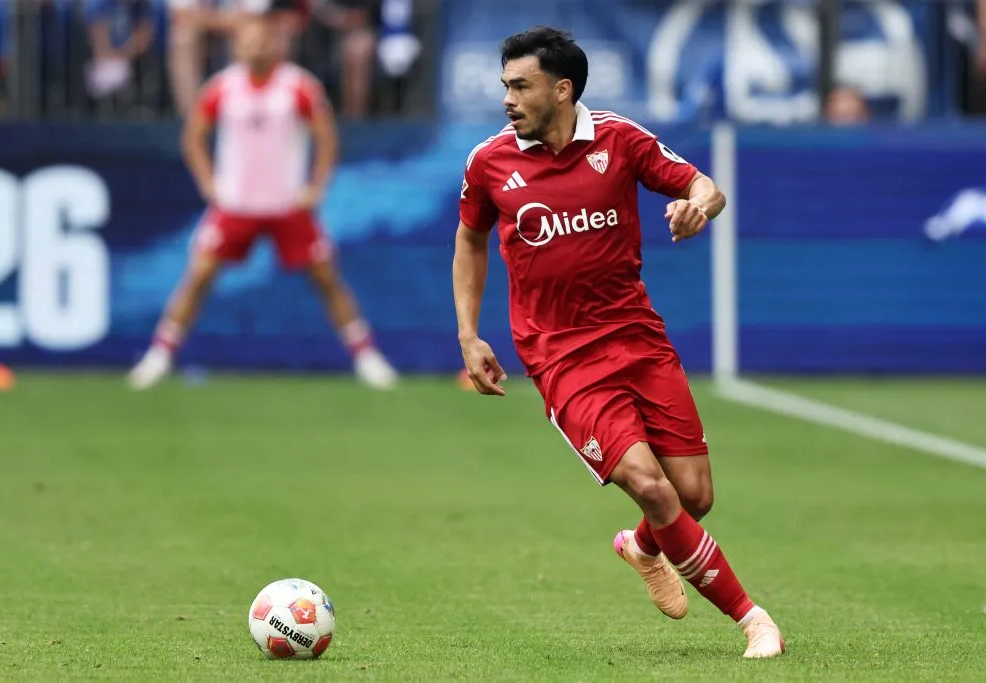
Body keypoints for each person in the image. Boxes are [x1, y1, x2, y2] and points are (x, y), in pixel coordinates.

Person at [452, 27, 784, 658]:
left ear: (562, 88)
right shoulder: (489, 162)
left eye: (521, 86)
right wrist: (469, 334)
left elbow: (706, 187)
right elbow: (470, 240)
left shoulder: (620, 140)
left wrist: (697, 209)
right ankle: (754, 620)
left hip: (637, 339)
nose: (509, 99)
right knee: (654, 489)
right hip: (560, 356)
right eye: (505, 87)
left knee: (693, 497)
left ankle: (640, 547)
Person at [129, 12, 397, 390]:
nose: (256, 45)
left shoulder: (299, 87)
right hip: (235, 205)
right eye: (249, 39)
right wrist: (208, 183)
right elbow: (193, 138)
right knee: (199, 276)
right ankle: (159, 355)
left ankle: (367, 356)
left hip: (287, 204)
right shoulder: (222, 87)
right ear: (237, 46)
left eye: (263, 39)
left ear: (275, 44)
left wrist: (315, 187)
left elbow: (326, 138)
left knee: (327, 279)